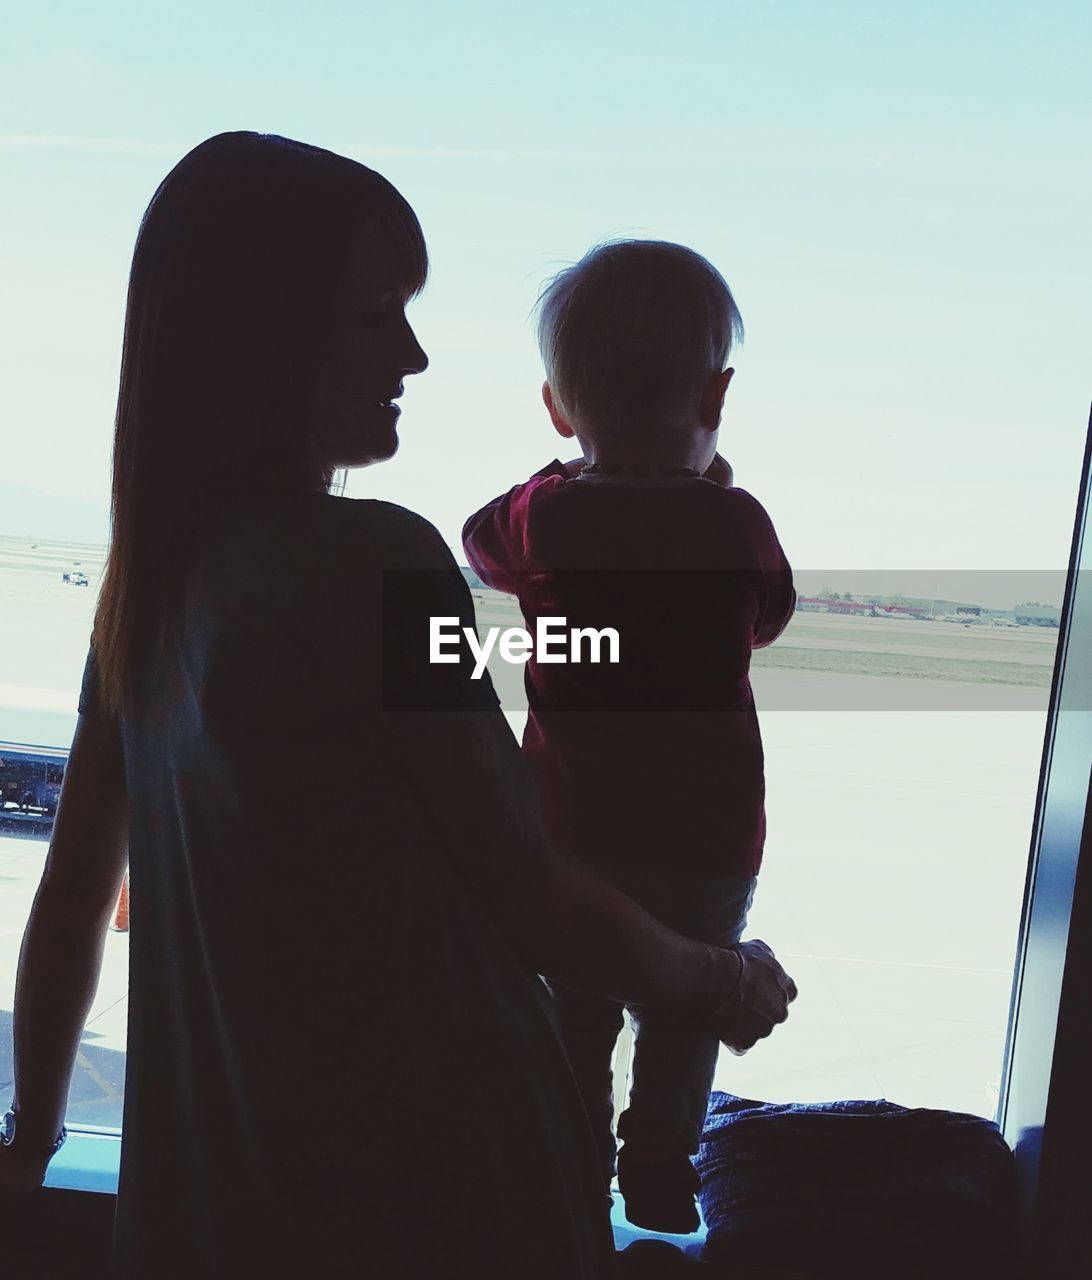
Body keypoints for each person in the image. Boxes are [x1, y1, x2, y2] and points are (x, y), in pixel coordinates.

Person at [0, 137, 796, 1280]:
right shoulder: (379, 568)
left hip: (223, 1199)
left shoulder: (154, 582)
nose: (415, 353)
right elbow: (532, 900)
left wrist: (29, 1142)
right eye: (379, 312)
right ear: (262, 337)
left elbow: (75, 895)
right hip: (429, 1191)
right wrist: (718, 978)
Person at [462, 240, 796, 1234]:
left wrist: (560, 476)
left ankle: (569, 1155)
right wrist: (708, 493)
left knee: (575, 1004)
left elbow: (479, 542)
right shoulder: (736, 523)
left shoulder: (543, 516)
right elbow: (769, 613)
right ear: (716, 396)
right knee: (687, 1006)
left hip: (576, 829)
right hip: (707, 836)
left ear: (560, 407)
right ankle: (661, 1159)